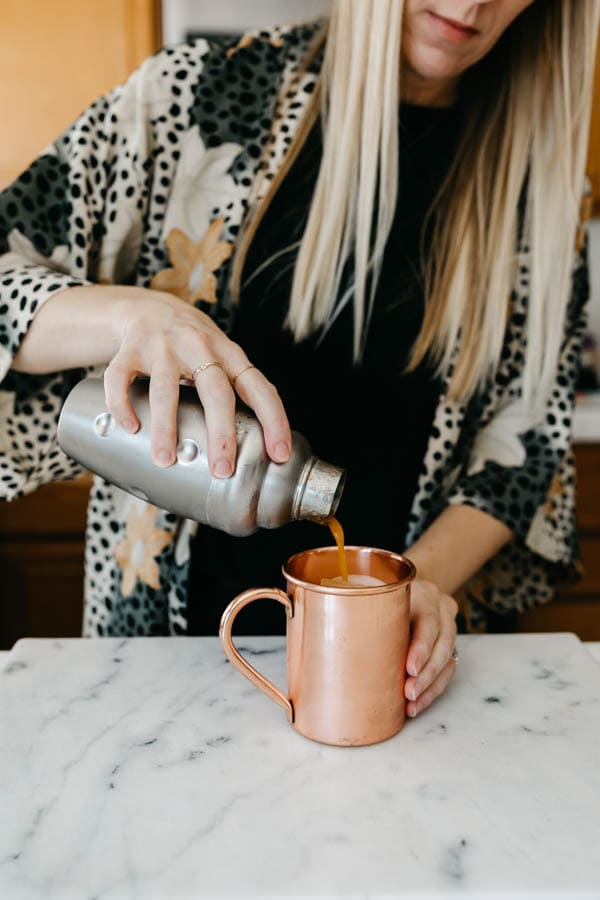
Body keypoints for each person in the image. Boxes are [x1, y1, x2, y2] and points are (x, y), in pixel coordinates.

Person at [0, 1, 597, 718]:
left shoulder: (540, 189)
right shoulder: (193, 99)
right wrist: (130, 314)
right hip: (166, 665)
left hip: (396, 685)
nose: (472, 3)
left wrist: (421, 586)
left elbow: (525, 446)